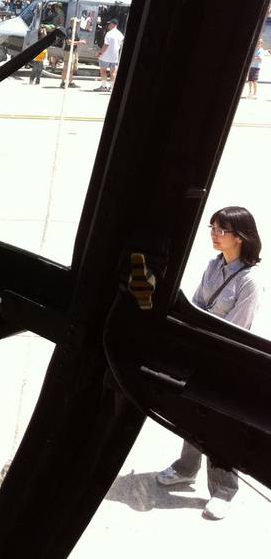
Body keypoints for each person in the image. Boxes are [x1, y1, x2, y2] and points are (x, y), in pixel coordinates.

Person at [156, 206, 262, 520]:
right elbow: (198, 304)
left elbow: (236, 330)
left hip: (225, 362)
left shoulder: (250, 283)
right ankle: (186, 467)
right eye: (212, 228)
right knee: (189, 412)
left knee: (218, 426)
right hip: (199, 352)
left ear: (240, 237)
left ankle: (224, 491)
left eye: (221, 230)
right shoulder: (213, 266)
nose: (214, 235)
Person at [95, 18, 124, 92]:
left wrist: (99, 53)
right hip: (114, 57)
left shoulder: (109, 33)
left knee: (103, 71)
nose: (108, 25)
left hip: (105, 57)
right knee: (113, 72)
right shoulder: (120, 34)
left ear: (113, 24)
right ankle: (111, 88)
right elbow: (121, 45)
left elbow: (106, 45)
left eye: (110, 24)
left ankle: (103, 86)